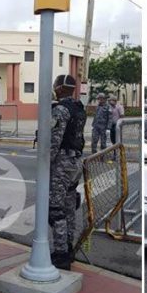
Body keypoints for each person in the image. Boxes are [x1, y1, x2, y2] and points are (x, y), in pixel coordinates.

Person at [49, 74, 87, 270]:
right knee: (69, 205)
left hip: (62, 163)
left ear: (60, 88)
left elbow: (54, 142)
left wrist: (45, 164)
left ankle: (61, 253)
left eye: (56, 86)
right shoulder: (79, 108)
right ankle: (69, 247)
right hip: (75, 161)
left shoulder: (61, 110)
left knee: (55, 209)